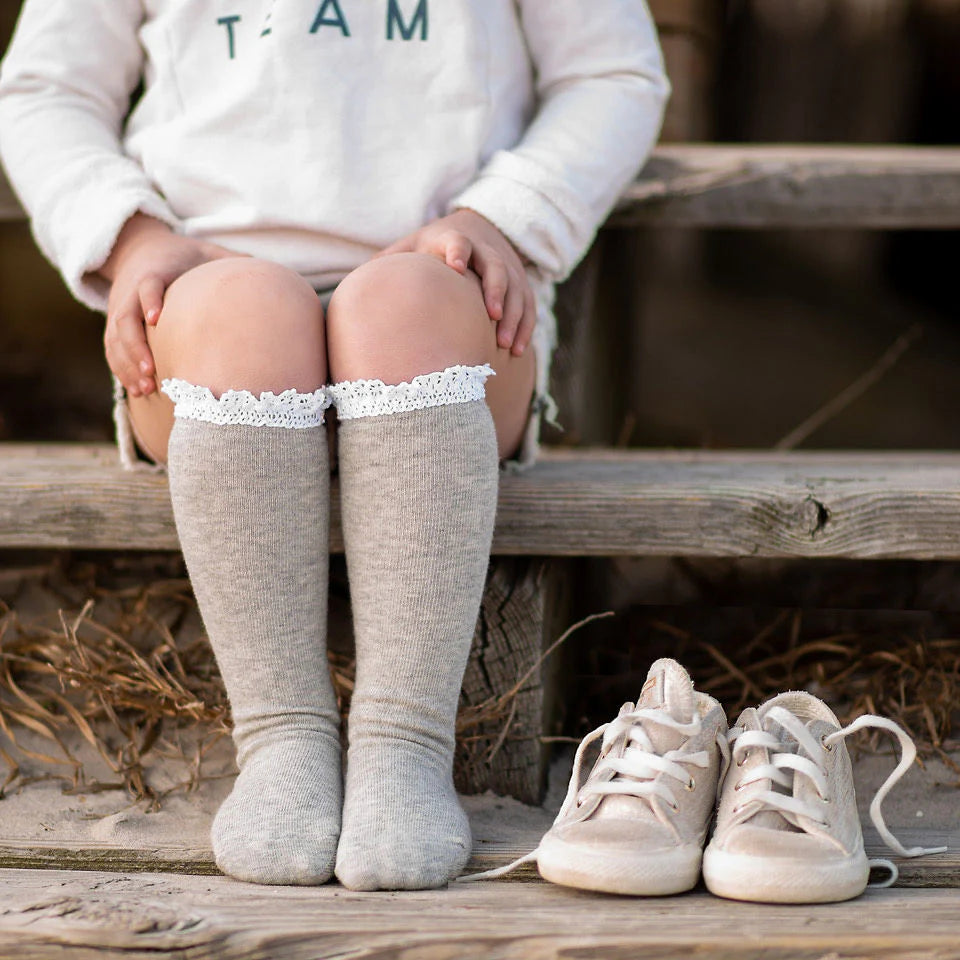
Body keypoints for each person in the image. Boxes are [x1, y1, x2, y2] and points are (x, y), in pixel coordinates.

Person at [0, 0, 669, 890]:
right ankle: (282, 739)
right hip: (202, 317)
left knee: (395, 303)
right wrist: (130, 236)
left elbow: (614, 73)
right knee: (247, 307)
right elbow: (44, 88)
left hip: (450, 306)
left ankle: (404, 744)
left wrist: (498, 218)